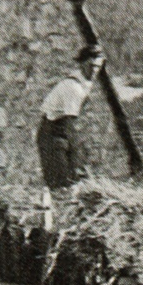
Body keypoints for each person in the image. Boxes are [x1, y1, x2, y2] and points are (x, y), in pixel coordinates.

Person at [37, 44, 104, 189]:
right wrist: (78, 156)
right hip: (52, 135)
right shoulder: (73, 87)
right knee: (62, 184)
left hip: (61, 134)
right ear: (81, 64)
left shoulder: (84, 84)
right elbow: (69, 124)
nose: (94, 70)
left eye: (97, 67)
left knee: (72, 180)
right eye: (91, 66)